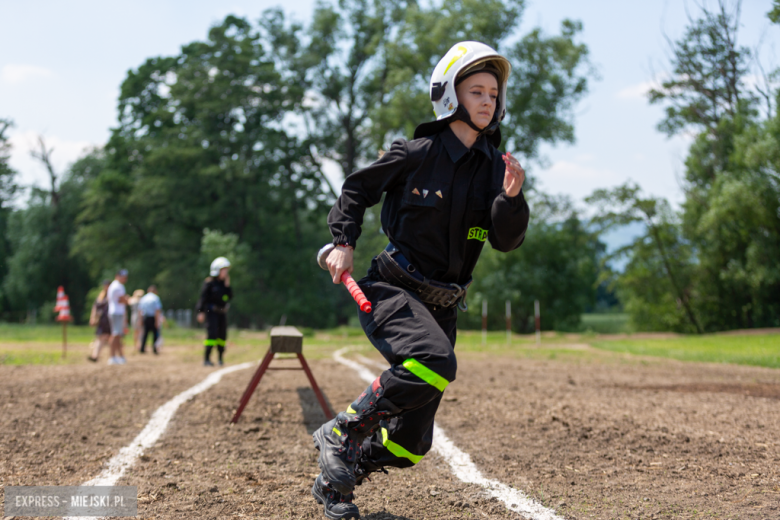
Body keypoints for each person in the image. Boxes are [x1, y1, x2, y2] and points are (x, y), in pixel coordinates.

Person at [310, 41, 529, 519]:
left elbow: (506, 241)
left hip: (444, 305)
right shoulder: (416, 152)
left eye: (494, 93)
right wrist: (343, 240)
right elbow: (356, 188)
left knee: (412, 444)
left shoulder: (496, 168)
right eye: (476, 91)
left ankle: (335, 485)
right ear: (450, 95)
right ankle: (342, 431)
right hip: (392, 289)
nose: (488, 101)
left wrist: (512, 199)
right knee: (434, 360)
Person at [196, 257, 232, 367]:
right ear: (217, 270)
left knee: (222, 336)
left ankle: (220, 358)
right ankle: (207, 358)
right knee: (212, 334)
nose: (225, 272)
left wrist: (227, 286)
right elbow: (203, 298)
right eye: (223, 269)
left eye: (226, 270)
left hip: (222, 313)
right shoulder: (209, 283)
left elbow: (228, 298)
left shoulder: (224, 285)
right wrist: (200, 311)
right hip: (211, 312)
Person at [107, 269, 130, 365]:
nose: (125, 279)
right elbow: (122, 300)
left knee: (117, 335)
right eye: (123, 277)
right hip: (117, 312)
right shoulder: (119, 286)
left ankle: (119, 356)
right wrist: (128, 299)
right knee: (116, 334)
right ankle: (112, 357)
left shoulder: (113, 285)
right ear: (118, 276)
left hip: (114, 311)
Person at [87, 280, 111, 362]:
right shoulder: (101, 296)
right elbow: (95, 307)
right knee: (101, 337)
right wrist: (93, 317)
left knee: (109, 338)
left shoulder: (112, 295)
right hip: (102, 320)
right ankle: (95, 355)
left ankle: (114, 356)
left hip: (110, 319)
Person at [138, 285, 163, 354]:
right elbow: (157, 310)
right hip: (153, 318)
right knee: (155, 334)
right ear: (154, 291)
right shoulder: (156, 298)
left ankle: (142, 348)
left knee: (145, 334)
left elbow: (140, 310)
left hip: (145, 317)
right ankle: (155, 349)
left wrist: (140, 320)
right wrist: (157, 321)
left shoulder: (144, 298)